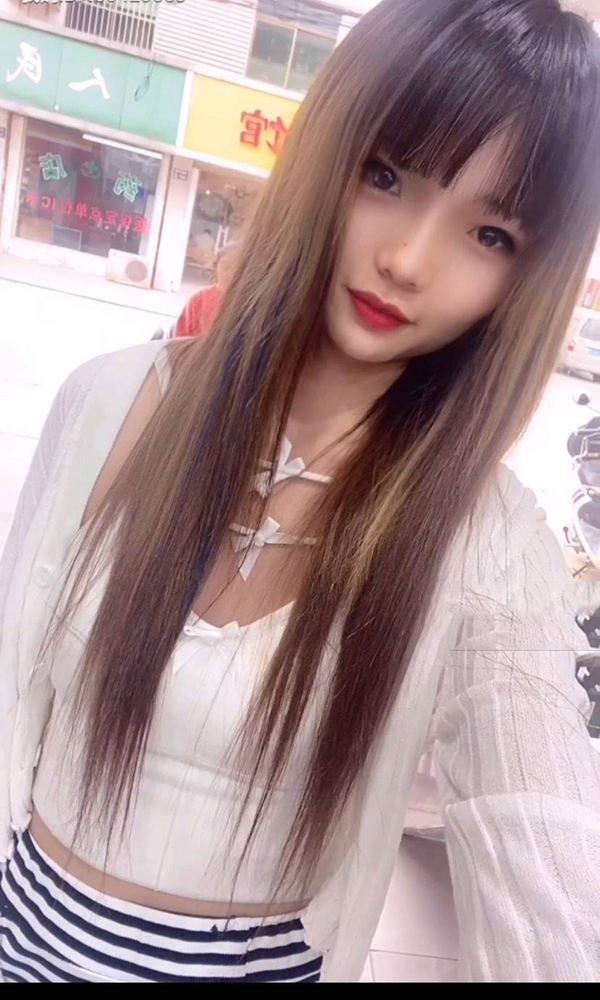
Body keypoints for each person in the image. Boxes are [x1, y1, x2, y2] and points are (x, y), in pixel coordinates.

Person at [1, 0, 600, 984]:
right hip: (24, 929)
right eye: (385, 175)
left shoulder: (487, 544)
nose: (407, 259)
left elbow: (548, 854)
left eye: (490, 234)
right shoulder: (106, 402)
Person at [173, 242, 238, 339]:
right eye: (226, 266)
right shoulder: (201, 298)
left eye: (238, 267)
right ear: (216, 266)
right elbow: (181, 337)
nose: (230, 273)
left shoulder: (252, 305)